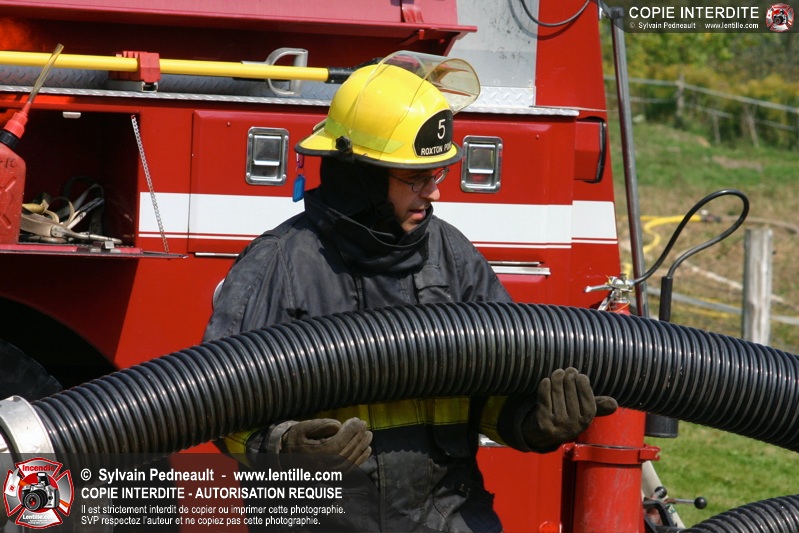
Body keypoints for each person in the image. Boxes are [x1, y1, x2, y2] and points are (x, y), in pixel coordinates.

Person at [204, 51, 617, 533]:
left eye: (437, 174)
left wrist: (535, 420)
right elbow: (217, 407)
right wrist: (285, 448)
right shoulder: (280, 265)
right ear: (362, 176)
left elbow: (496, 387)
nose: (434, 193)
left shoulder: (452, 257)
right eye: (416, 178)